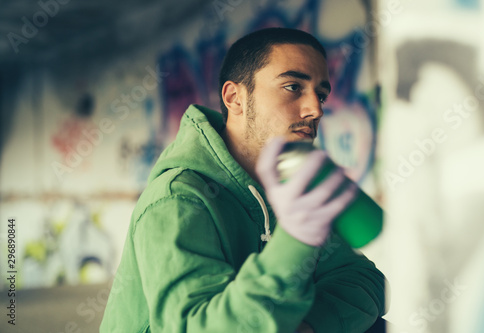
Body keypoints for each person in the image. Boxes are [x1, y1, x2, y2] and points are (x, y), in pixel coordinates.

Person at [100, 27, 386, 333]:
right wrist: (296, 239)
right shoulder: (177, 199)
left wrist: (310, 326)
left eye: (321, 94)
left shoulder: (288, 186)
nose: (315, 109)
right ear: (235, 98)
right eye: (292, 87)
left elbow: (365, 281)